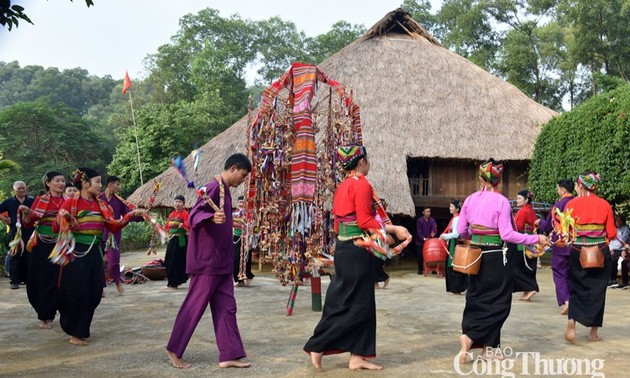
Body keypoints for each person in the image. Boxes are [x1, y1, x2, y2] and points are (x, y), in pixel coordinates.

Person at [304, 145, 411, 371]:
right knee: (356, 305)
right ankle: (318, 345)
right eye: (367, 160)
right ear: (361, 162)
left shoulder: (342, 187)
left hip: (344, 248)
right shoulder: (361, 184)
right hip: (358, 250)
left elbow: (337, 224)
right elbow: (364, 221)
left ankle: (357, 356)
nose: (368, 163)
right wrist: (394, 229)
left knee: (352, 301)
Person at [456, 159, 548, 362]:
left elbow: (461, 230)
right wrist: (535, 238)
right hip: (496, 256)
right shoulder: (501, 202)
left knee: (476, 297)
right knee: (499, 301)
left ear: (480, 178)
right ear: (498, 181)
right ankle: (474, 338)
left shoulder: (470, 200)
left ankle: (484, 346)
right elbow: (507, 234)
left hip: (476, 254)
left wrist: (472, 237)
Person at [166, 153, 252, 369]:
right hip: (207, 261)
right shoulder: (213, 187)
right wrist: (210, 217)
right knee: (194, 306)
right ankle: (174, 349)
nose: (242, 181)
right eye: (242, 175)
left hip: (222, 261)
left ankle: (229, 354)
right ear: (233, 168)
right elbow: (194, 215)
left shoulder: (225, 190)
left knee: (227, 307)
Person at [54, 168, 145, 346]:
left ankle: (80, 327)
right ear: (85, 184)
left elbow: (113, 226)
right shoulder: (70, 204)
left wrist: (129, 216)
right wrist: (63, 218)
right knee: (77, 291)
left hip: (94, 250)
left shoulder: (102, 205)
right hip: (75, 251)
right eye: (97, 181)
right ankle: (76, 331)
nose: (100, 185)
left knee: (95, 291)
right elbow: (56, 228)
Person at [563, 171, 616, 344]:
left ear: (580, 185)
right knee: (598, 291)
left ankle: (572, 323)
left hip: (578, 250)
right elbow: (612, 233)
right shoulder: (605, 205)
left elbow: (566, 231)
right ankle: (593, 333)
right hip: (599, 250)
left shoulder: (571, 204)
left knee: (576, 287)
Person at [19, 171, 66, 329]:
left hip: (63, 243)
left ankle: (64, 310)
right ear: (48, 183)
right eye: (57, 181)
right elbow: (28, 224)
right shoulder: (40, 200)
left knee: (61, 278)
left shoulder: (70, 201)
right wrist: (26, 214)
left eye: (63, 181)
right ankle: (45, 315)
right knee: (42, 279)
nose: (61, 184)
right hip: (42, 244)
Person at [536, 179, 574, 314]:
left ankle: (567, 300)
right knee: (573, 274)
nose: (557, 191)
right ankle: (575, 301)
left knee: (559, 272)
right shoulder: (576, 203)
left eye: (558, 188)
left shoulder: (558, 206)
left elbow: (548, 226)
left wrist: (539, 222)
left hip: (561, 244)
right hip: (576, 244)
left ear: (563, 190)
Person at [99, 175, 141, 296]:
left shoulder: (119, 201)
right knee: (99, 262)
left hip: (113, 235)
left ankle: (118, 283)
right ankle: (100, 287)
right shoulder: (98, 199)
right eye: (117, 184)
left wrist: (139, 215)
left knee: (113, 262)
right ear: (110, 185)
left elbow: (128, 214)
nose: (119, 187)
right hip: (99, 233)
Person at [0, 181, 35, 289]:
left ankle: (28, 279)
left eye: (23, 188)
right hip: (15, 231)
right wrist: (4, 219)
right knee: (15, 255)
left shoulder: (31, 200)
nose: (21, 190)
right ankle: (14, 281)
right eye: (19, 188)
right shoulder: (9, 202)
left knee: (29, 256)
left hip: (30, 231)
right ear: (14, 190)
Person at [510, 189, 539, 302]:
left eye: (519, 198)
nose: (517, 200)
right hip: (530, 241)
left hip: (523, 241)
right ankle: (527, 290)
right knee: (526, 266)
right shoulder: (529, 210)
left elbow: (518, 227)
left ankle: (531, 288)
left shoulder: (523, 212)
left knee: (517, 266)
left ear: (526, 200)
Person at [440, 199, 468, 295]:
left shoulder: (456, 219)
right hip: (458, 243)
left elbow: (456, 234)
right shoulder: (460, 218)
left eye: (452, 206)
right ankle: (458, 288)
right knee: (458, 265)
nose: (450, 208)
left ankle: (455, 289)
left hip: (454, 243)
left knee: (452, 265)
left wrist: (444, 236)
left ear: (457, 209)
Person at [164, 195, 189, 289]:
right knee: (168, 260)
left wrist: (183, 225)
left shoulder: (185, 214)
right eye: (176, 202)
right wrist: (164, 232)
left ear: (183, 204)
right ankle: (171, 281)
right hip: (172, 239)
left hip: (180, 240)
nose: (177, 204)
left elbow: (188, 223)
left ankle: (175, 282)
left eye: (179, 202)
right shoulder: (172, 214)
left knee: (177, 261)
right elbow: (167, 226)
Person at [233, 196, 254, 286]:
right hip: (236, 237)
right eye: (240, 202)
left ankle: (249, 276)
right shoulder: (234, 213)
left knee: (246, 258)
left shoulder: (248, 213)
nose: (241, 204)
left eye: (243, 202)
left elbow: (251, 224)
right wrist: (239, 225)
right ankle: (239, 280)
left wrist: (244, 225)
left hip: (246, 237)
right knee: (236, 258)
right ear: (237, 203)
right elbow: (232, 223)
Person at [607, 214, 630, 287]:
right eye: (616, 220)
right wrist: (611, 248)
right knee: (610, 259)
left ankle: (623, 282)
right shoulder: (616, 229)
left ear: (622, 221)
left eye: (618, 220)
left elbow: (623, 240)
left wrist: (614, 248)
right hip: (615, 249)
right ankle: (612, 279)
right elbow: (611, 241)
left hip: (622, 249)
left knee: (617, 260)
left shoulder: (626, 229)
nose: (617, 222)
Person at [374, 198, 390, 289]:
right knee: (373, 262)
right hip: (373, 240)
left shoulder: (384, 216)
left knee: (377, 262)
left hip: (381, 241)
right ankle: (376, 282)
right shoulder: (374, 214)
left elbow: (386, 228)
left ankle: (383, 278)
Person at [415, 207, 437, 274]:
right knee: (420, 256)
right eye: (426, 211)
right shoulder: (419, 220)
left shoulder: (432, 220)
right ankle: (420, 269)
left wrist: (433, 233)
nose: (428, 213)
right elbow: (419, 232)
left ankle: (433, 269)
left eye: (429, 211)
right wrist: (423, 238)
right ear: (423, 212)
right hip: (420, 241)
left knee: (432, 255)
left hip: (429, 241)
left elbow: (434, 229)